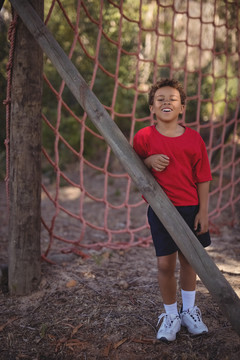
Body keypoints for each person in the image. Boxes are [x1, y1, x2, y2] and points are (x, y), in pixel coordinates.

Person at [133, 79, 212, 342]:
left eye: (173, 99)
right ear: (152, 108)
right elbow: (135, 169)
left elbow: (203, 177)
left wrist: (203, 212)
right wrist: (147, 160)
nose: (167, 102)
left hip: (190, 208)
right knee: (165, 264)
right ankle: (170, 315)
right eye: (160, 99)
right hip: (161, 210)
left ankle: (189, 311)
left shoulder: (193, 138)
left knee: (189, 261)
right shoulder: (144, 137)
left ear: (182, 108)